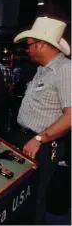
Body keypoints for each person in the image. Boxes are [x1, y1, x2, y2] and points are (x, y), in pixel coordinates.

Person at [12, 17, 71, 224]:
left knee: (35, 199)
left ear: (41, 44)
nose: (26, 50)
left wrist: (39, 139)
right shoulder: (41, 70)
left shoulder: (65, 70)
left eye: (29, 45)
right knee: (23, 198)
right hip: (28, 141)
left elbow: (70, 116)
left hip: (43, 146)